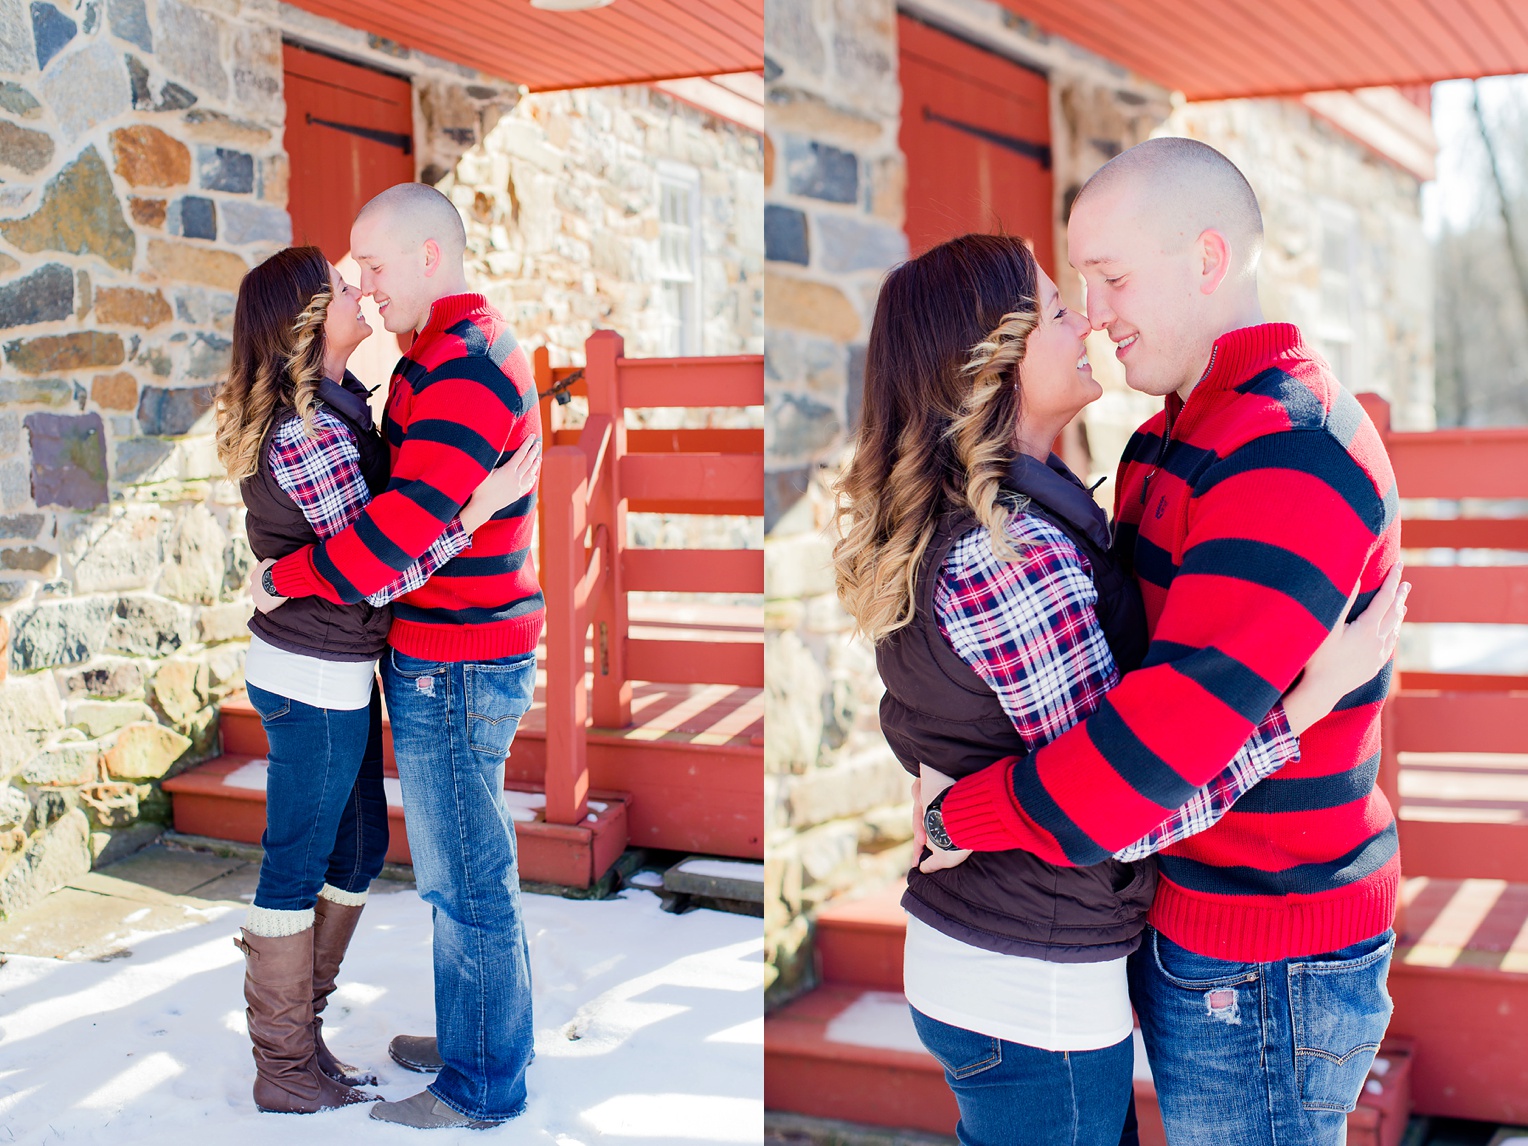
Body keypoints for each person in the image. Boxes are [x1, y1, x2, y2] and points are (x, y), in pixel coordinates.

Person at [833, 232, 1403, 1145]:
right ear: (999, 362)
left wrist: (955, 810)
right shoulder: (1007, 553)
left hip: (1019, 962)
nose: (1089, 318)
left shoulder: (1033, 504)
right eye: (1062, 309)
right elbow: (1124, 806)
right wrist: (1305, 702)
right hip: (1027, 984)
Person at [214, 246, 537, 1115]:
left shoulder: (341, 401)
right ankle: (283, 1062)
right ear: (313, 320)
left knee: (354, 852)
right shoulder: (312, 429)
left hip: (333, 669)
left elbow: (362, 546)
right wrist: (475, 508)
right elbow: (375, 572)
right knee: (298, 863)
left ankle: (303, 1038)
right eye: (345, 286)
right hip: (312, 674)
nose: (363, 289)